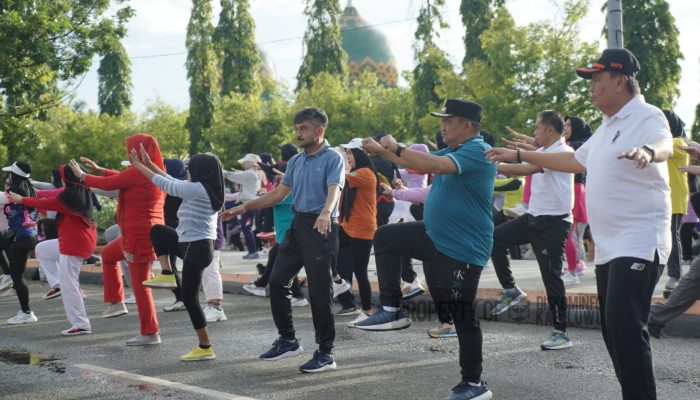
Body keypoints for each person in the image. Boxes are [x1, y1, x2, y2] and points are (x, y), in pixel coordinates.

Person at [486, 48, 672, 400]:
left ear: (620, 80)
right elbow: (573, 161)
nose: (591, 88)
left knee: (626, 327)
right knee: (611, 332)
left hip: (639, 238)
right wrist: (520, 155)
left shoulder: (647, 116)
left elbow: (664, 144)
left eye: (597, 80)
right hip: (608, 245)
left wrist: (648, 151)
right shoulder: (606, 127)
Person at [357, 99, 495, 400]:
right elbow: (418, 162)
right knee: (386, 238)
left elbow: (431, 164)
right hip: (434, 236)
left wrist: (397, 145)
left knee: (462, 314)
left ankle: (473, 384)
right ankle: (393, 309)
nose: (442, 126)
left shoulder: (476, 150)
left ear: (468, 125)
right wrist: (383, 152)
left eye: (448, 121)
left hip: (462, 246)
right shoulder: (457, 149)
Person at [223, 107, 344, 373]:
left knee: (319, 292)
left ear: (319, 131)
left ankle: (326, 353)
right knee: (277, 280)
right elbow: (279, 194)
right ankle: (288, 340)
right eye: (297, 128)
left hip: (321, 227)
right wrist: (243, 207)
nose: (298, 133)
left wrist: (326, 212)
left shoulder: (333, 158)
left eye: (304, 128)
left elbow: (334, 188)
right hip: (298, 225)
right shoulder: (296, 162)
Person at [488, 110, 575, 350]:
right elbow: (527, 162)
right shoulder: (544, 151)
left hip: (554, 224)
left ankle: (561, 333)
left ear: (549, 129)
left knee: (551, 277)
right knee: (494, 239)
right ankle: (511, 289)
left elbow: (527, 169)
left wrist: (496, 165)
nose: (535, 132)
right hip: (533, 218)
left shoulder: (562, 153)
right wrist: (500, 162)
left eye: (537, 128)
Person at [70, 133, 166, 346]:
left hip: (138, 235)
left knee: (141, 285)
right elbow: (121, 177)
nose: (129, 154)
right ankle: (116, 302)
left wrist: (83, 176)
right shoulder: (151, 171)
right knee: (108, 255)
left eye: (131, 149)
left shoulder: (140, 174)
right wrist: (99, 169)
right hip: (138, 233)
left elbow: (112, 183)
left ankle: (150, 332)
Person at [130, 145, 224, 361]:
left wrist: (138, 167)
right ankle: (166, 272)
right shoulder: (204, 187)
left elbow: (166, 185)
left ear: (200, 170)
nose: (187, 171)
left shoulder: (198, 189)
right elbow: (173, 180)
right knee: (158, 231)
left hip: (196, 248)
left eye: (190, 167)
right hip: (191, 245)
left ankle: (205, 346)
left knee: (190, 300)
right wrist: (150, 164)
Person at [10, 165, 96, 335]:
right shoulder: (80, 188)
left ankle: (81, 324)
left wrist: (22, 200)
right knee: (42, 249)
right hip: (78, 240)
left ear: (65, 179)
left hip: (74, 244)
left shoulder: (70, 196)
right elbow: (49, 193)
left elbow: (47, 202)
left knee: (70, 286)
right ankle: (57, 284)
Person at [334, 138, 378, 326]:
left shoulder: (365, 174)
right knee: (325, 247)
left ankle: (367, 311)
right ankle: (338, 281)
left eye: (351, 153)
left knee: (360, 272)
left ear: (360, 154)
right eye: (348, 153)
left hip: (362, 228)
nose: (349, 157)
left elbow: (340, 176)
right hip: (348, 225)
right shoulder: (356, 172)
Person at [0, 161, 39, 324]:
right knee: (17, 275)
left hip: (22, 237)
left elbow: (2, 198)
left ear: (14, 175)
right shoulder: (29, 188)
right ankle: (8, 275)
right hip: (28, 236)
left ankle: (27, 312)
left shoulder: (17, 191)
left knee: (18, 276)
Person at [561, 115, 593, 284]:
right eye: (564, 125)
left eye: (568, 125)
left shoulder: (577, 146)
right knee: (574, 233)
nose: (565, 128)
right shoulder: (572, 145)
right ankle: (576, 263)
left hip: (576, 189)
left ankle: (576, 266)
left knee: (572, 232)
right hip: (574, 189)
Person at [663, 109, 689, 291]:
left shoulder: (677, 143)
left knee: (672, 236)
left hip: (675, 197)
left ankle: (675, 276)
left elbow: (660, 149)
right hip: (663, 197)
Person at [224, 153, 266, 260]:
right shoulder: (253, 174)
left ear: (250, 163)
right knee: (246, 227)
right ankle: (253, 251)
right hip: (250, 205)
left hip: (250, 205)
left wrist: (218, 170)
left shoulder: (250, 174)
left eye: (246, 162)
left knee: (246, 228)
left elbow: (231, 176)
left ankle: (253, 252)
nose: (244, 164)